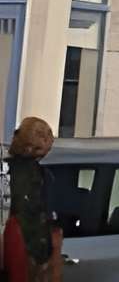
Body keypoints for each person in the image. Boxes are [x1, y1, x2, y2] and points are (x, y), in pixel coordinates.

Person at [4, 118, 62, 282]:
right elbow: (32, 218)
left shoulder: (5, 169)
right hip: (23, 254)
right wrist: (44, 257)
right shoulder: (37, 176)